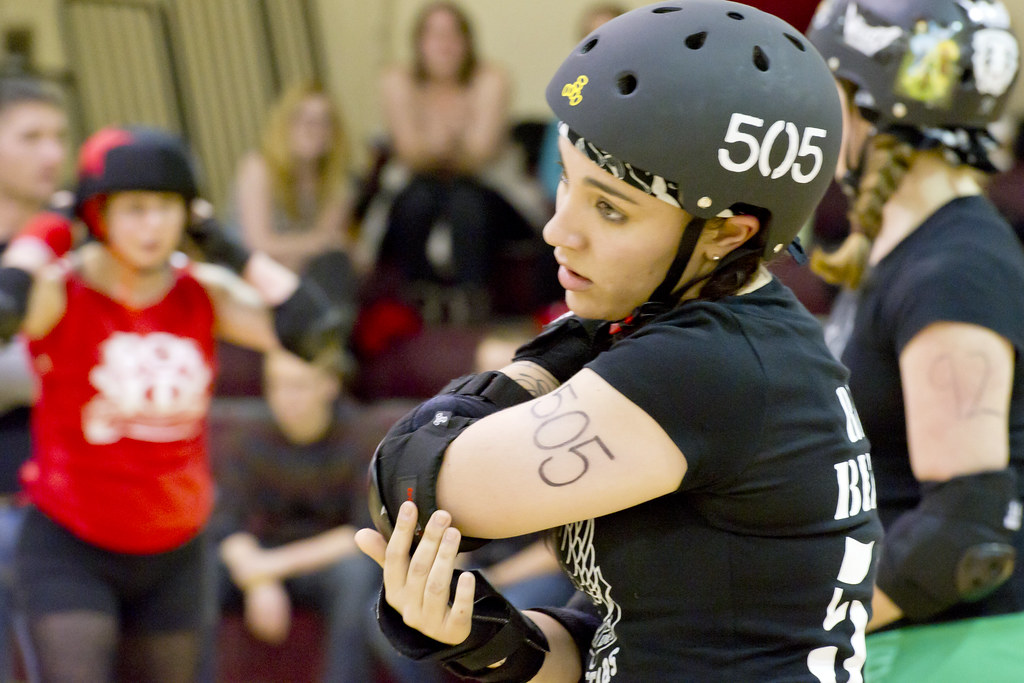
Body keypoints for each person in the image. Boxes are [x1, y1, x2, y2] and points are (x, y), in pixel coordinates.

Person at [355, 2, 884, 681]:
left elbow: (403, 484)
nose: (558, 230)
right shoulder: (719, 332)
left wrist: (550, 357)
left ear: (729, 233)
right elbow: (609, 640)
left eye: (609, 207)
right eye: (568, 183)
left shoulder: (700, 368)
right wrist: (474, 634)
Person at [0, 124, 342, 683]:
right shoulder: (63, 292)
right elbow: (4, 308)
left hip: (174, 552)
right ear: (100, 215)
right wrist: (53, 230)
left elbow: (315, 332)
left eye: (167, 207)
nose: (152, 226)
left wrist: (231, 248)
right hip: (72, 543)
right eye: (133, 208)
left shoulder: (202, 292)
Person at [806, 1, 1024, 679]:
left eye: (828, 91)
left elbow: (964, 528)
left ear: (873, 105)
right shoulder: (900, 244)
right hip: (906, 634)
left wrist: (785, 631)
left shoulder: (955, 266)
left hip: (949, 649)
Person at [210, 348, 387, 683]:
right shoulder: (247, 437)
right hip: (259, 556)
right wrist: (259, 579)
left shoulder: (363, 437)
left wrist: (270, 567)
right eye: (275, 385)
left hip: (325, 565)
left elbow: (363, 532)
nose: (284, 398)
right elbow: (225, 524)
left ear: (330, 385)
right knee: (202, 570)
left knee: (357, 574)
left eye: (298, 386)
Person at [373, 1, 544, 321]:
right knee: (418, 197)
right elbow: (410, 152)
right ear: (418, 43)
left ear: (468, 41)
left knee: (466, 197)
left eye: (453, 34)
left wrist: (432, 142)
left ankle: (471, 300)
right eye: (434, 34)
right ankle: (421, 299)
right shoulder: (398, 78)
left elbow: (480, 156)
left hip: (490, 196)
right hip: (421, 194)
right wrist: (455, 141)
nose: (444, 43)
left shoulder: (492, 77)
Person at [0, 73, 67, 683]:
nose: (54, 153)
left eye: (59, 136)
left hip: (57, 506)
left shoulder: (77, 245)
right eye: (31, 136)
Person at [230, 81, 359, 320]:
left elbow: (327, 248)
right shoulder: (259, 168)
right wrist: (313, 245)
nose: (313, 129)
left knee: (334, 264)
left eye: (324, 121)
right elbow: (256, 245)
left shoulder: (337, 182)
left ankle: (329, 338)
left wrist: (308, 248)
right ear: (284, 125)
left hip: (306, 277)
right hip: (253, 279)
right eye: (303, 119)